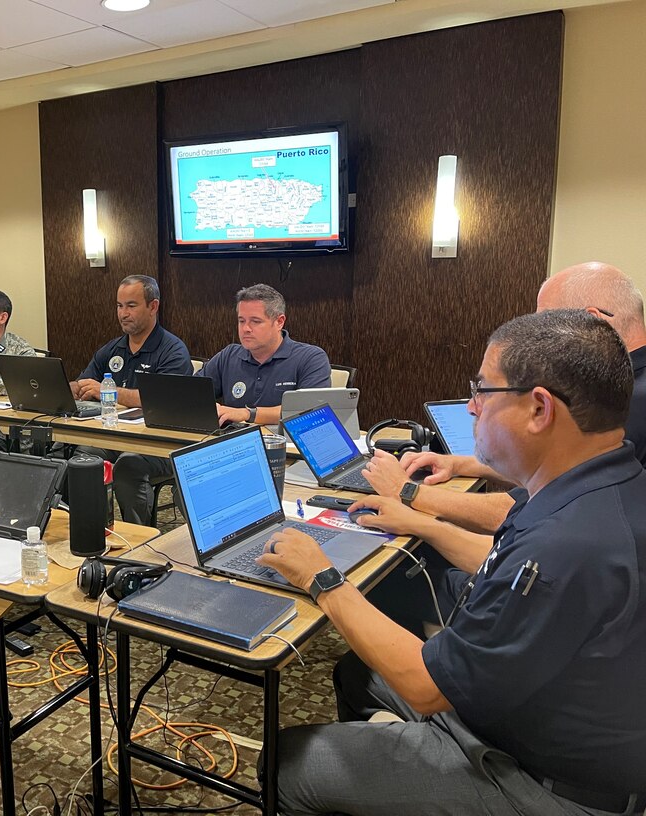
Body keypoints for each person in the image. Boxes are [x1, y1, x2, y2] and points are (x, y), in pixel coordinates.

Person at [258, 309, 646, 815]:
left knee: (286, 764)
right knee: (358, 675)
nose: (470, 407)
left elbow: (424, 686)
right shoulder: (598, 484)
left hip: (541, 781)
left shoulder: (563, 549)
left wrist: (321, 577)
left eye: (483, 390)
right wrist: (423, 523)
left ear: (539, 409)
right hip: (544, 723)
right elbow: (497, 559)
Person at [363, 261, 646, 536]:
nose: (532, 338)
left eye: (545, 323)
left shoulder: (622, 398)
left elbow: (533, 510)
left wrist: (409, 492)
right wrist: (460, 464)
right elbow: (556, 472)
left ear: (593, 325)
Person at [71, 275, 192, 525]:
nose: (123, 313)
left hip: (159, 445)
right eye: (119, 306)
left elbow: (164, 401)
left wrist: (109, 391)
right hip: (115, 435)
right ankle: (88, 529)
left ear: (153, 306)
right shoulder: (112, 349)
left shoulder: (172, 350)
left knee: (129, 465)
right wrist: (71, 388)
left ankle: (139, 540)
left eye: (131, 306)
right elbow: (85, 381)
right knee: (82, 456)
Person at [196, 284, 331, 426]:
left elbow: (310, 411)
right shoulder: (229, 356)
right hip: (235, 442)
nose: (245, 329)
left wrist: (247, 413)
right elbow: (190, 394)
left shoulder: (311, 358)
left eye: (255, 321)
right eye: (241, 321)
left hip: (285, 444)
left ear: (279, 322)